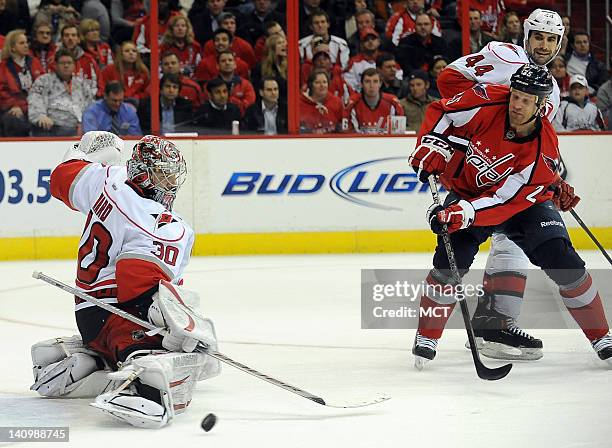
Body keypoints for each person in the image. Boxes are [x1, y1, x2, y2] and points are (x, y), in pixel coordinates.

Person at [408, 64, 612, 368]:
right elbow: (441, 110)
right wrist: (432, 143)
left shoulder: (544, 151)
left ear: (541, 106)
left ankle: (602, 337)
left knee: (563, 260)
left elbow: (504, 201)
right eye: (515, 96)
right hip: (470, 192)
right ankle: (427, 337)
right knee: (451, 258)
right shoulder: (489, 99)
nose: (515, 105)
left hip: (522, 205)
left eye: (526, 100)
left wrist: (461, 213)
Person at [30, 132, 220, 428]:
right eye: (163, 175)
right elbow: (137, 287)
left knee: (162, 325)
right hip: (121, 320)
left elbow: (60, 179)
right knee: (179, 340)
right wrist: (178, 326)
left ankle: (94, 359)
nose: (170, 185)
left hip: (87, 314)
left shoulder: (106, 179)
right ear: (144, 174)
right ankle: (144, 382)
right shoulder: (165, 226)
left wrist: (87, 152)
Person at [435, 9, 571, 360]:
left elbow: (533, 139)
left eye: (551, 39)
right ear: (526, 36)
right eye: (538, 36)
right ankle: (460, 328)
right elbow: (448, 81)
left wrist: (552, 177)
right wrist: (470, 130)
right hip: (475, 165)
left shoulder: (551, 89)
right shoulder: (503, 55)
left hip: (507, 172)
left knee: (513, 240)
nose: (544, 45)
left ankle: (493, 324)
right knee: (468, 242)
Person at [28, 48, 95, 136]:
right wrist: (40, 115)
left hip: (78, 127)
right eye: (62, 63)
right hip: (52, 126)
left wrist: (86, 123)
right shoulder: (43, 81)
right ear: (55, 65)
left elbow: (90, 105)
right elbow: (35, 99)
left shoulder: (82, 84)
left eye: (69, 63)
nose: (66, 66)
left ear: (74, 65)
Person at [0, 29, 44, 136]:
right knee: (12, 120)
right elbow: (2, 92)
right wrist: (15, 105)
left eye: (26, 42)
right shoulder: (3, 67)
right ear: (12, 47)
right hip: (14, 108)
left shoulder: (35, 62)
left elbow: (44, 87)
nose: (26, 45)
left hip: (36, 106)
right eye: (21, 43)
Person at [343, 67, 404, 133]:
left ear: (380, 83)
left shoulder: (393, 102)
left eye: (375, 81)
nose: (371, 85)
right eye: (367, 81)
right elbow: (347, 132)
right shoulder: (352, 103)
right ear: (361, 84)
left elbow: (398, 133)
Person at [202, 50, 255, 117]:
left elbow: (249, 107)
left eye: (230, 60)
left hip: (241, 121)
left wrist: (229, 100)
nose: (227, 63)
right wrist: (238, 102)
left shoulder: (246, 85)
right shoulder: (209, 85)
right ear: (217, 66)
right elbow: (208, 105)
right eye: (223, 61)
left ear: (235, 64)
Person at [101, 41, 150, 106]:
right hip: (114, 103)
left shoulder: (143, 71)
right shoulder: (109, 70)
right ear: (121, 54)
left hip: (138, 105)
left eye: (134, 51)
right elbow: (102, 88)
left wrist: (137, 96)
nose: (131, 53)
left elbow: (147, 92)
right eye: (127, 51)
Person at [299, 68, 344, 134]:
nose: (322, 85)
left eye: (324, 82)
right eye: (317, 82)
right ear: (311, 85)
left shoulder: (337, 102)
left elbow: (343, 128)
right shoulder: (300, 103)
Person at [159, 15, 202, 79]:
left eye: (183, 26)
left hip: (191, 80)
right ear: (171, 29)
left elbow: (199, 67)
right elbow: (160, 69)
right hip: (170, 80)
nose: (180, 28)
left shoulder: (195, 46)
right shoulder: (164, 47)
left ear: (187, 29)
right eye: (177, 26)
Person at [343, 27, 383, 92]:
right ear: (361, 44)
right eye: (366, 40)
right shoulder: (353, 62)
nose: (370, 42)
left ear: (379, 41)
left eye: (373, 39)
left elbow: (398, 75)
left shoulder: (386, 58)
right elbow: (349, 85)